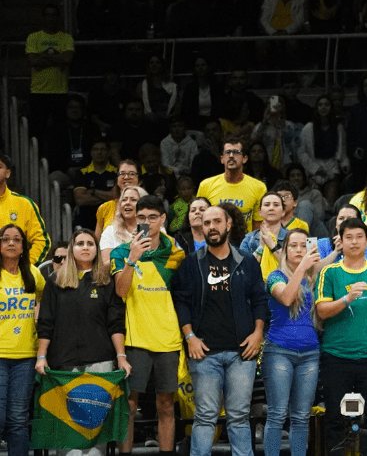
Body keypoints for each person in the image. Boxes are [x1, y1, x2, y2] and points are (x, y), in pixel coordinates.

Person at [173, 203, 269, 456]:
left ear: (228, 225)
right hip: (204, 352)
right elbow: (181, 301)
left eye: (217, 221)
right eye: (206, 223)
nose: (211, 227)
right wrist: (189, 337)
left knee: (239, 416)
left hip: (241, 353)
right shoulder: (191, 263)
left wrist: (258, 334)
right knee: (205, 416)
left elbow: (260, 300)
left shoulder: (247, 261)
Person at [35, 228, 128, 456]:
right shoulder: (55, 281)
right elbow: (46, 322)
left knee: (93, 428)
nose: (85, 247)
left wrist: (121, 356)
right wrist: (41, 355)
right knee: (68, 431)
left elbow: (115, 324)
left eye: (90, 243)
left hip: (100, 364)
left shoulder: (106, 282)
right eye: (80, 243)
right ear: (71, 249)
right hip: (63, 365)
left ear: (97, 250)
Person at [315, 217, 367, 453]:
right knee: (335, 419)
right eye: (348, 237)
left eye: (359, 237)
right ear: (340, 241)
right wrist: (346, 299)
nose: (354, 242)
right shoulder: (329, 273)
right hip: (336, 356)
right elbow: (322, 311)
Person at [113, 194, 185, 456]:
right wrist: (132, 258)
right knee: (130, 405)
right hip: (135, 339)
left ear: (163, 219)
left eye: (152, 217)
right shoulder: (122, 252)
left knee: (166, 405)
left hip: (168, 339)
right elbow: (121, 291)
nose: (146, 222)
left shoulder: (176, 253)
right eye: (141, 217)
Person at [262, 228, 321, 456]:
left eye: (303, 245)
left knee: (301, 417)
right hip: (279, 350)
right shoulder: (275, 276)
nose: (298, 250)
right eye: (293, 245)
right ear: (284, 251)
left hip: (310, 353)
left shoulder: (315, 278)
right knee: (277, 414)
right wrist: (303, 267)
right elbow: (286, 297)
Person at [0, 224, 44, 456]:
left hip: (26, 356)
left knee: (18, 419)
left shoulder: (33, 273)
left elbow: (47, 301)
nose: (11, 243)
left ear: (23, 247)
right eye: (5, 239)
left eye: (16, 239)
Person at [25, 4, 75, 138]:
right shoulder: (33, 38)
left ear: (58, 18)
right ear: (43, 18)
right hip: (38, 91)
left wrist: (43, 56)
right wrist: (58, 58)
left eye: (54, 15)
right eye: (48, 15)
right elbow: (33, 61)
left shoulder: (66, 38)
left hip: (60, 91)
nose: (51, 18)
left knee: (60, 131)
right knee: (37, 130)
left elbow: (68, 58)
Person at [197, 135, 268, 226]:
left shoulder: (259, 187)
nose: (231, 156)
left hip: (245, 239)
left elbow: (258, 225)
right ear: (222, 159)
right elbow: (200, 221)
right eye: (227, 152)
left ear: (245, 158)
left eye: (236, 152)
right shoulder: (205, 185)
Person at [241, 192, 310, 278]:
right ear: (260, 212)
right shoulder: (249, 238)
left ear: (283, 212)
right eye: (267, 205)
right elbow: (243, 269)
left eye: (276, 205)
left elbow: (298, 267)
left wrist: (272, 245)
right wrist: (261, 247)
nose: (271, 208)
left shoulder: (294, 237)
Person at [0, 153, 50, 265]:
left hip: (16, 276)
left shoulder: (24, 204)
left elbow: (42, 241)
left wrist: (26, 266)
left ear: (8, 173)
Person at [297, 95, 349, 203]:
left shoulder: (338, 128)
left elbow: (342, 151)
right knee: (316, 203)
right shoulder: (308, 128)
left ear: (331, 108)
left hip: (332, 168)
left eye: (326, 104)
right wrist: (316, 169)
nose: (323, 107)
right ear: (317, 108)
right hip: (314, 170)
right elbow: (302, 152)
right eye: (320, 105)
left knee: (330, 204)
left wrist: (345, 166)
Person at [99, 185, 146, 265]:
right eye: (124, 200)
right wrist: (131, 255)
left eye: (133, 200)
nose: (127, 203)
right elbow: (106, 264)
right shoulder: (110, 231)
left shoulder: (155, 229)